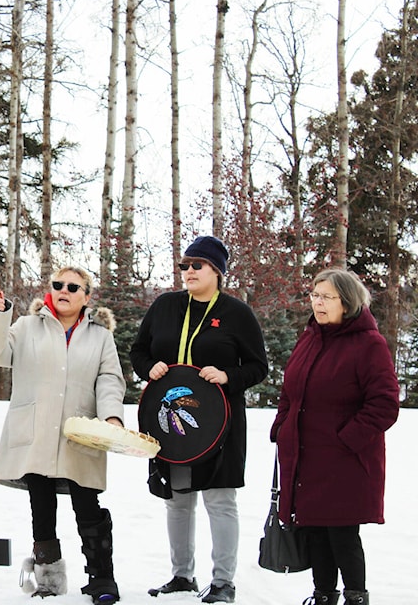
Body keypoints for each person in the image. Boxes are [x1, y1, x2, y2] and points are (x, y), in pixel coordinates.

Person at [129, 236, 268, 604]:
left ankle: (223, 582)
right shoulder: (165, 306)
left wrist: (228, 376)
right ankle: (182, 576)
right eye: (185, 265)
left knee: (220, 500)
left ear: (217, 271)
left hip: (219, 424)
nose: (189, 271)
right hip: (170, 421)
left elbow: (258, 367)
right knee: (177, 499)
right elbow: (138, 350)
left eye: (197, 265)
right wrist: (149, 368)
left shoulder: (237, 313)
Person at [0, 267, 126, 604]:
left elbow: (109, 380)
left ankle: (101, 576)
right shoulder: (27, 326)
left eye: (73, 287)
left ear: (86, 297)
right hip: (37, 430)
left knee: (87, 505)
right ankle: (48, 579)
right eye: (57, 285)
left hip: (82, 433)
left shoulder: (100, 336)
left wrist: (112, 417)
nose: (64, 290)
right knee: (40, 505)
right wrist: (0, 315)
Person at [270, 269, 399, 605]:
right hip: (305, 457)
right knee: (314, 529)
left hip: (346, 461)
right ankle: (323, 595)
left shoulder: (369, 344)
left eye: (327, 297)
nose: (318, 302)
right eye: (315, 295)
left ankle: (356, 597)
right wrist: (281, 427)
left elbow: (384, 404)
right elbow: (290, 392)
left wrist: (346, 440)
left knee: (341, 532)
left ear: (348, 302)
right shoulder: (310, 337)